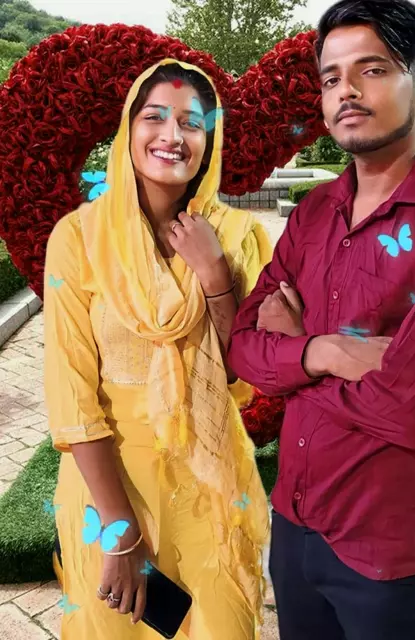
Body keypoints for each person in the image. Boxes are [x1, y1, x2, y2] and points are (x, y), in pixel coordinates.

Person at [228, 1, 415, 638]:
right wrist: (329, 352)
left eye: (372, 70)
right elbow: (244, 348)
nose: (347, 91)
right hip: (294, 527)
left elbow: (414, 410)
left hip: (392, 548)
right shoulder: (314, 212)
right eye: (331, 78)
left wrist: (293, 355)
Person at [43, 59, 272, 640]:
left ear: (209, 142)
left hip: (210, 482)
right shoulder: (79, 237)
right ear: (129, 128)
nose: (172, 135)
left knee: (221, 627)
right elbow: (72, 394)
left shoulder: (238, 236)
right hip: (110, 487)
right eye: (155, 117)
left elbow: (245, 371)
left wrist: (215, 273)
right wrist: (119, 531)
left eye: (191, 123)